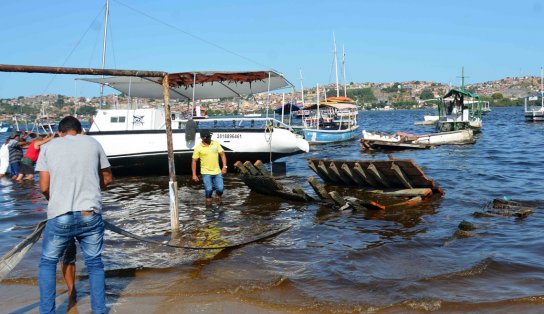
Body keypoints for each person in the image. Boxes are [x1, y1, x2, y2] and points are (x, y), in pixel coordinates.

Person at [36, 116, 112, 314]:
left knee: (47, 263)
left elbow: (44, 186)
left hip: (60, 215)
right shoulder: (93, 143)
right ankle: (100, 311)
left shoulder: (48, 147)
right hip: (90, 213)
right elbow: (107, 178)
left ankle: (47, 311)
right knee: (94, 263)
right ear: (80, 131)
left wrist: (57, 198)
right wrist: (92, 190)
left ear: (60, 132)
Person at [191, 129, 227, 205]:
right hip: (206, 172)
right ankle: (209, 207)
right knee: (209, 190)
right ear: (202, 138)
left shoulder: (215, 144)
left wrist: (224, 167)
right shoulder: (198, 148)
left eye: (210, 136)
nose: (209, 138)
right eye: (207, 137)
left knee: (220, 189)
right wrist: (194, 174)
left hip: (217, 171)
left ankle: (218, 198)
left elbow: (222, 154)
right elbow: (194, 161)